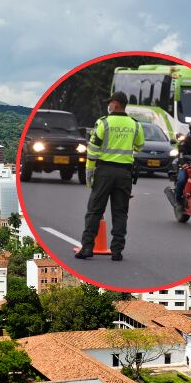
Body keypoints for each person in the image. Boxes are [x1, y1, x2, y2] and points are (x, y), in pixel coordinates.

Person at [76, 91, 145, 262]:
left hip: (104, 172)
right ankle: (117, 251)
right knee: (120, 212)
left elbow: (92, 149)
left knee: (94, 210)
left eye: (110, 103)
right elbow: (140, 146)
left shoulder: (103, 123)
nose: (109, 105)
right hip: (124, 173)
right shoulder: (135, 125)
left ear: (115, 104)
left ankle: (87, 248)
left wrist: (89, 172)